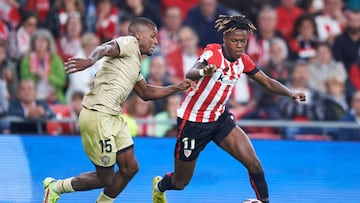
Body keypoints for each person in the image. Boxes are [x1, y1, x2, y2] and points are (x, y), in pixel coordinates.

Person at [152, 15, 306, 203]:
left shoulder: (243, 61)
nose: (240, 46)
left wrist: (290, 93)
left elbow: (266, 81)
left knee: (254, 163)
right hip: (193, 123)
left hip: (219, 119)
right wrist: (204, 71)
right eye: (235, 41)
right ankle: (160, 187)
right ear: (224, 39)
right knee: (181, 182)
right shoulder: (213, 53)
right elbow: (190, 73)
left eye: (243, 41)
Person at [42, 17, 191, 203]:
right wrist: (90, 60)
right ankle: (55, 187)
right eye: (152, 36)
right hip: (98, 114)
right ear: (138, 34)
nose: (156, 41)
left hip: (113, 116)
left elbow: (146, 92)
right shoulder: (129, 42)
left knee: (130, 168)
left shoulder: (133, 62)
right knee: (105, 178)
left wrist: (177, 87)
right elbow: (105, 48)